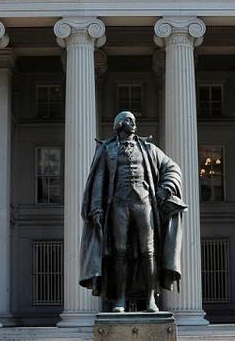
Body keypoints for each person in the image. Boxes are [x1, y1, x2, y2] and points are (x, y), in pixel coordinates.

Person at [79, 110, 186, 311]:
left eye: (134, 120)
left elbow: (173, 168)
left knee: (149, 251)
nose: (133, 123)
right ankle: (120, 299)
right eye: (129, 120)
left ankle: (150, 299)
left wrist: (165, 188)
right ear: (119, 124)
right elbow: (99, 179)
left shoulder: (148, 148)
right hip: (118, 204)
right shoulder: (107, 149)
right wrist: (96, 207)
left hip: (144, 203)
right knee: (119, 252)